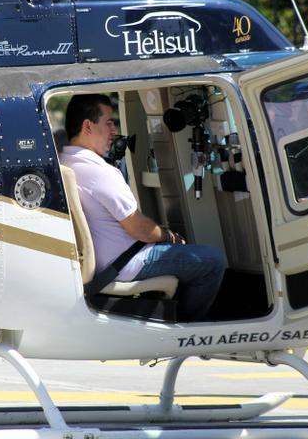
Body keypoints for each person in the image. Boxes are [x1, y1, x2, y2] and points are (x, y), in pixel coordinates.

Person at [59, 94, 226, 321]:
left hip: (106, 260)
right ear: (87, 126)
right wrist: (171, 236)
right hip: (128, 262)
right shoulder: (99, 172)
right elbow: (140, 229)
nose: (114, 130)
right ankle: (189, 331)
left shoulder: (66, 161)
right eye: (108, 122)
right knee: (212, 260)